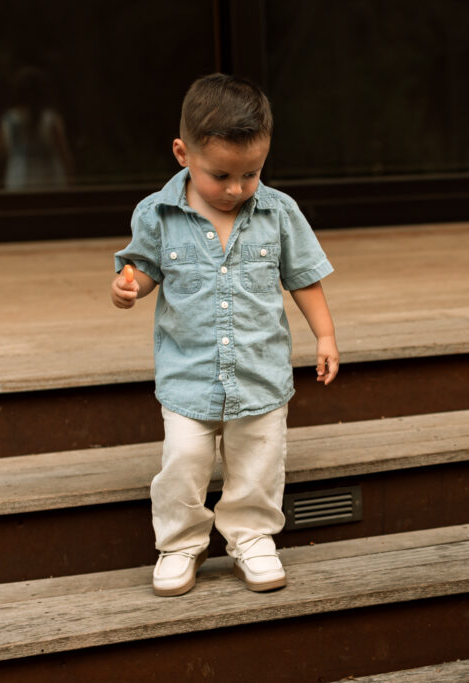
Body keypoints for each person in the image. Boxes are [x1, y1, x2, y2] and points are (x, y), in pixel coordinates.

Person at [111, 74, 339, 597]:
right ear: (182, 153)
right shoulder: (158, 214)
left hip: (259, 372)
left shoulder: (278, 211)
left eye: (251, 174)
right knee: (185, 462)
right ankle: (180, 542)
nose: (236, 189)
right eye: (221, 175)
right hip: (189, 375)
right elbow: (142, 269)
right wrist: (130, 287)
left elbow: (304, 277)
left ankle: (251, 536)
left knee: (258, 460)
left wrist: (325, 337)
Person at [0, 66, 73, 190]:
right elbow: (65, 156)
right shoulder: (51, 120)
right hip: (51, 183)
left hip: (18, 182)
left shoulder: (10, 119)